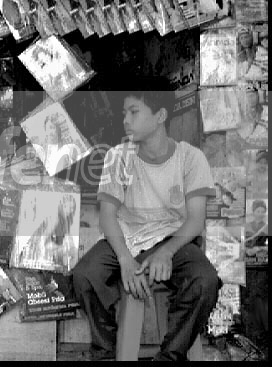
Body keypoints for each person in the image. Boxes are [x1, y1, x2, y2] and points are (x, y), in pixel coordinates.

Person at [71, 77, 221, 361]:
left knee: (205, 281)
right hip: (126, 237)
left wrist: (167, 252)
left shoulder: (191, 158)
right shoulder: (117, 157)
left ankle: (171, 355)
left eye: (134, 112)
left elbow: (195, 220)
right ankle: (105, 353)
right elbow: (107, 217)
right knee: (84, 276)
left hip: (172, 238)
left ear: (160, 116)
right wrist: (125, 259)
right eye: (124, 113)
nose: (125, 120)